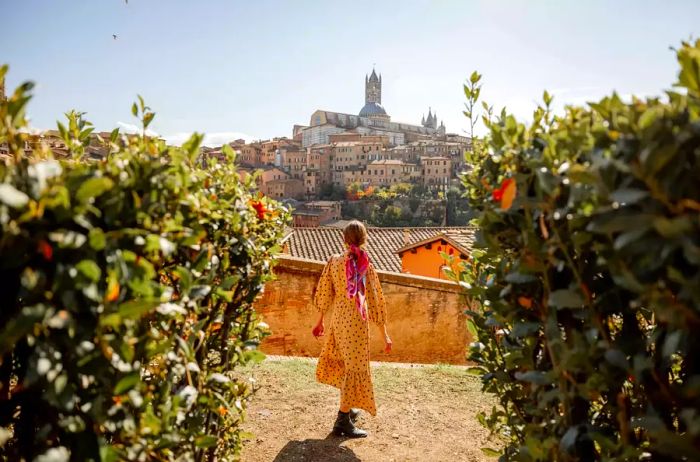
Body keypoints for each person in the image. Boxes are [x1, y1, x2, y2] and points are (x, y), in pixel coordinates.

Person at [312, 220, 392, 438]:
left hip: (339, 320)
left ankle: (348, 408)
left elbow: (324, 292)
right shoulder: (365, 264)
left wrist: (320, 321)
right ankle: (342, 422)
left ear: (344, 239)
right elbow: (375, 301)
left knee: (346, 364)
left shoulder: (333, 262)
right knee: (354, 367)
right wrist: (384, 334)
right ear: (364, 239)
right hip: (356, 323)